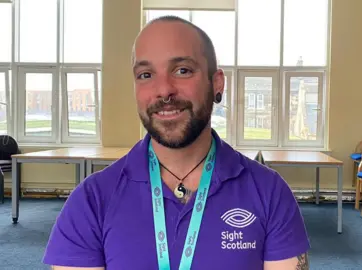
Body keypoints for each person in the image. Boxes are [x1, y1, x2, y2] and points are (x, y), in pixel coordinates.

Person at [42, 15, 310, 270]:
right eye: (146, 74)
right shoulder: (91, 201)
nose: (163, 90)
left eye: (182, 70)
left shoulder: (270, 193)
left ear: (217, 83)